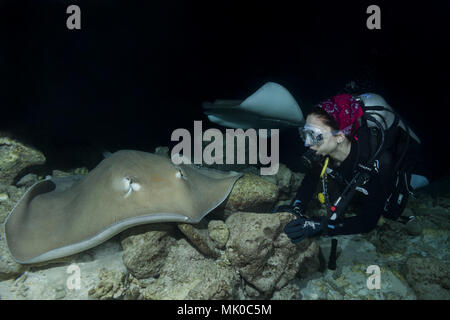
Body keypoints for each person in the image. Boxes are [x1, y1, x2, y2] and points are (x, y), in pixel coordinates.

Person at [273, 93, 431, 243]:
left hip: (392, 177)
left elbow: (367, 222)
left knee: (389, 211)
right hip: (353, 177)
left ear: (340, 136)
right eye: (305, 133)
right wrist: (296, 208)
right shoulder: (322, 151)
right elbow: (310, 181)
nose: (307, 143)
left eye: (314, 135)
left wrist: (318, 226)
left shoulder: (379, 162)